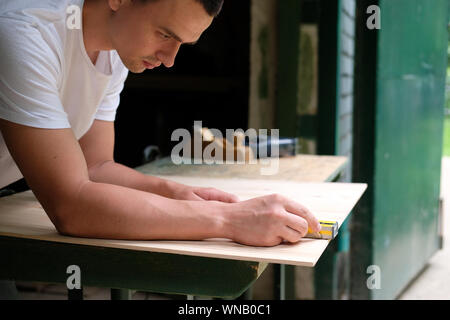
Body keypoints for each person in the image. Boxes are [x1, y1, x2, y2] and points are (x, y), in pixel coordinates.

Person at [0, 0, 321, 250]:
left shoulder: (116, 50)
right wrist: (229, 220)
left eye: (182, 43)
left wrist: (179, 194)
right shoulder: (24, 35)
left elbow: (95, 166)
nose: (169, 59)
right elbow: (71, 205)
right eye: (165, 34)